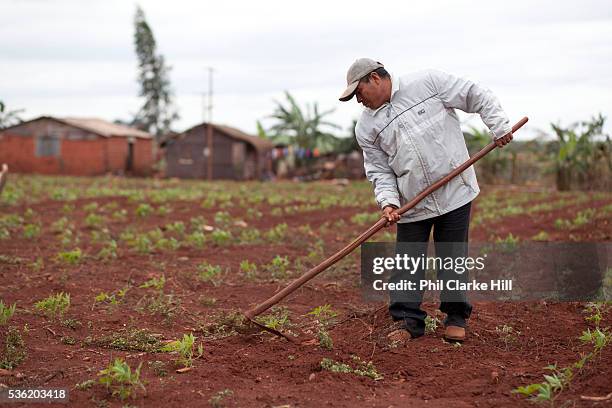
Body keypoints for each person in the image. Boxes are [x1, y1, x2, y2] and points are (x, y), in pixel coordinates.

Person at [339, 58, 513, 342]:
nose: (358, 100)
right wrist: (388, 202)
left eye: (358, 92)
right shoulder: (366, 127)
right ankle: (408, 322)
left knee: (452, 257)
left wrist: (499, 126)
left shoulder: (427, 83)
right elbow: (379, 171)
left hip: (455, 191)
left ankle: (456, 317)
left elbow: (474, 94)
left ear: (374, 79)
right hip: (412, 202)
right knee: (407, 262)